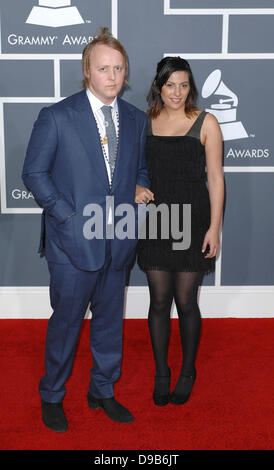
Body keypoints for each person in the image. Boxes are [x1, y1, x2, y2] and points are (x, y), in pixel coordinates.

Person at [22, 27, 153, 432]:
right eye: (103, 69)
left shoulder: (135, 120)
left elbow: (138, 170)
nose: (112, 76)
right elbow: (34, 173)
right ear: (87, 71)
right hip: (72, 243)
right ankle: (52, 395)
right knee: (66, 323)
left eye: (118, 68)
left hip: (119, 240)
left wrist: (138, 187)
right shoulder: (57, 116)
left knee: (111, 323)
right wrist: (68, 216)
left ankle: (103, 390)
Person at [137, 57, 224, 406]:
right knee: (159, 300)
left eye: (184, 84)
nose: (177, 92)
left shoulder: (206, 122)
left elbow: (216, 179)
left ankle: (188, 371)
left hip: (193, 220)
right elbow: (131, 168)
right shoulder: (144, 122)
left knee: (186, 301)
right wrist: (132, 190)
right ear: (159, 86)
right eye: (170, 84)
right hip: (157, 220)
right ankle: (162, 372)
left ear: (191, 87)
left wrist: (214, 228)